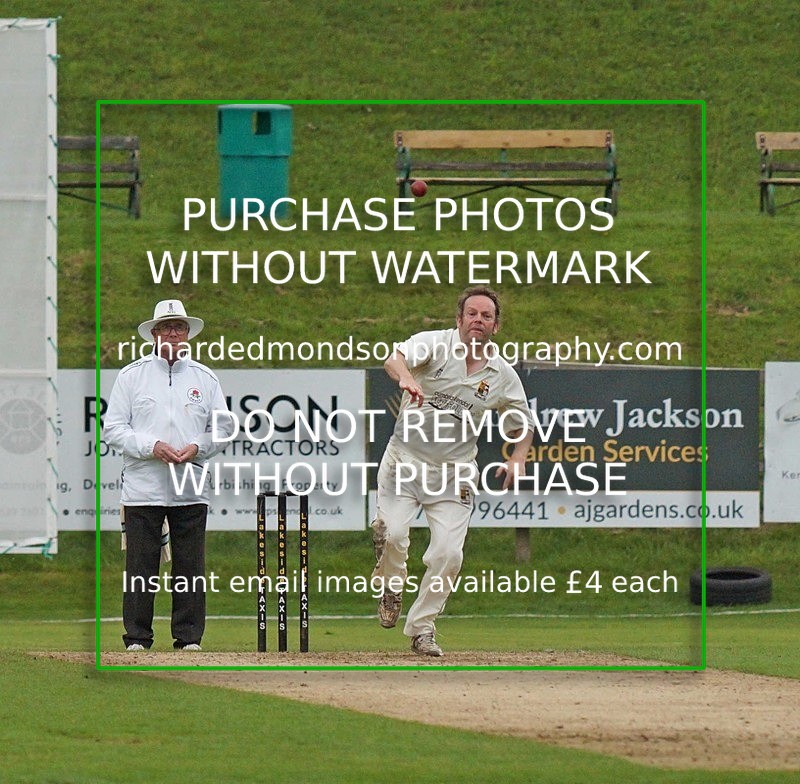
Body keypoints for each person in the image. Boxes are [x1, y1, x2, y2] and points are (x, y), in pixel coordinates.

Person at [371, 286, 534, 656]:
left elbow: (522, 423)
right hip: (405, 462)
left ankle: (422, 629)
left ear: (496, 325)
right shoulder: (436, 345)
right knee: (393, 533)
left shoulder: (501, 374)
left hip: (455, 473)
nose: (478, 320)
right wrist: (406, 378)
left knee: (449, 555)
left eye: (486, 316)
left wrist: (518, 457)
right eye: (472, 314)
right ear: (459, 319)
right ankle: (391, 586)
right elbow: (393, 358)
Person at [103, 299, 234, 651]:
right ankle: (137, 638)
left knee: (190, 566)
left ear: (188, 333)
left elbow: (223, 429)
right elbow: (112, 429)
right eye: (167, 327)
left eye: (180, 327)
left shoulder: (205, 377)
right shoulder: (132, 376)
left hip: (189, 481)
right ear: (155, 333)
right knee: (140, 566)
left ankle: (189, 638)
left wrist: (196, 447)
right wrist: (151, 446)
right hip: (143, 483)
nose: (174, 333)